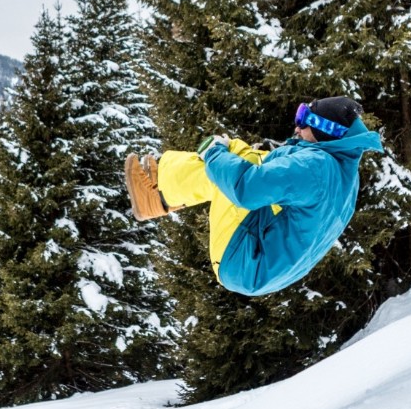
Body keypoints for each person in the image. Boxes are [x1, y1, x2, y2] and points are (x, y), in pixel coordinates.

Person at [124, 96, 383, 296]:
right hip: (268, 270)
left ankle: (158, 196)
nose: (297, 125)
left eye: (305, 118)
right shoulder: (344, 173)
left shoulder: (315, 166)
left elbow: (246, 189)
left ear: (324, 129)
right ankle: (163, 187)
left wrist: (214, 153)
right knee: (250, 159)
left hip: (242, 261)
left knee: (234, 161)